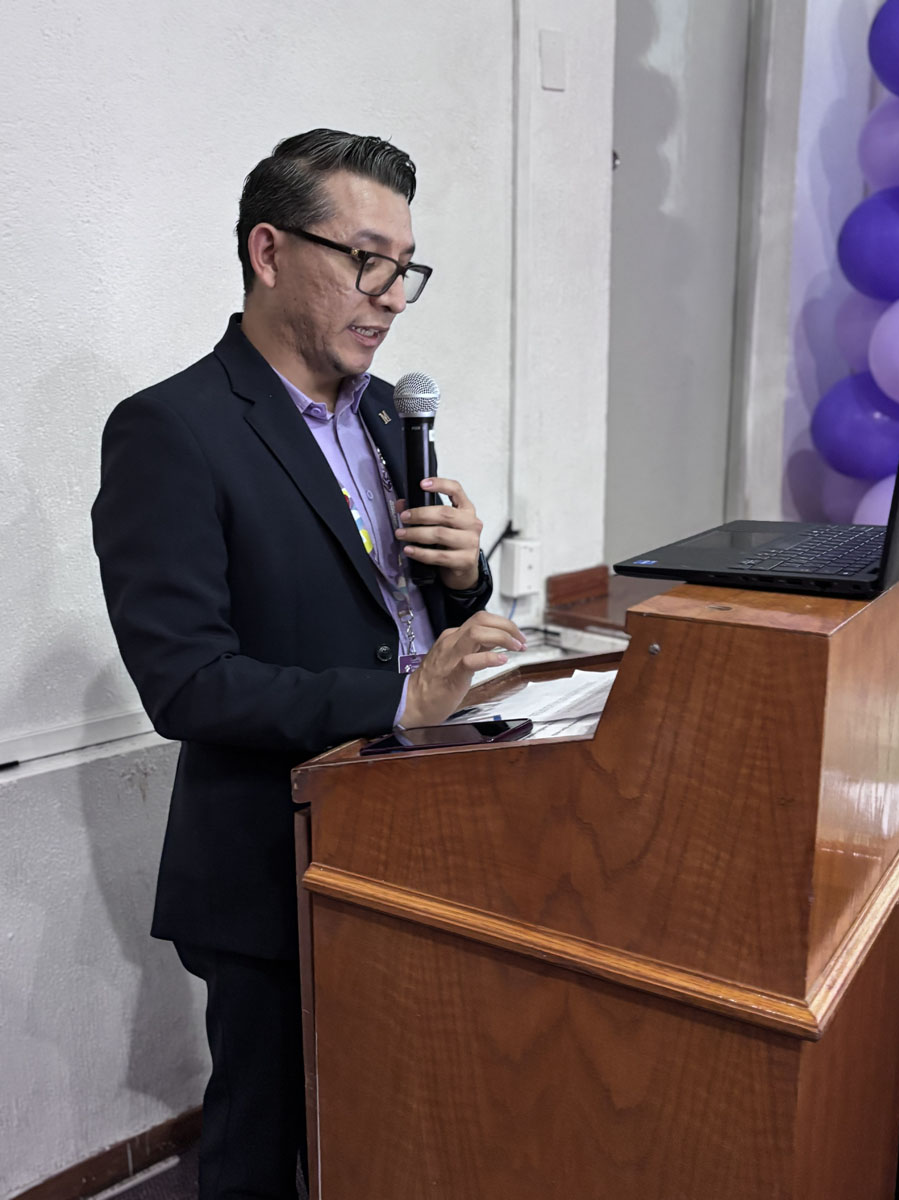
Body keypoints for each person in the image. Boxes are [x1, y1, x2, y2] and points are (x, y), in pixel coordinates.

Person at [92, 129, 524, 1199]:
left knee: (392, 1121)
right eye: (367, 260)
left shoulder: (381, 413)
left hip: (411, 826)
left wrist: (463, 577)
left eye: (406, 268)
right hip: (273, 854)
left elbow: (395, 613)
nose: (392, 298)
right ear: (270, 251)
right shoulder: (172, 430)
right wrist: (402, 696)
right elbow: (188, 682)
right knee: (263, 1141)